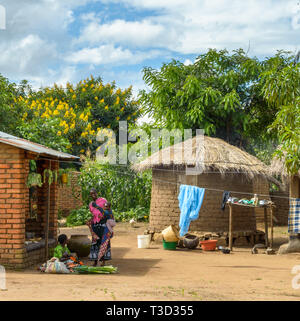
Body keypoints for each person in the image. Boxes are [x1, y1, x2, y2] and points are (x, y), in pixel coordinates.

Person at [87, 188, 113, 267]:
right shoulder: (91, 204)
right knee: (95, 242)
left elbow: (108, 210)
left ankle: (103, 261)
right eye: (91, 194)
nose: (93, 195)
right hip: (95, 225)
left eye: (94, 193)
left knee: (104, 242)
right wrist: (90, 220)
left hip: (103, 224)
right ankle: (95, 261)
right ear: (90, 195)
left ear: (97, 193)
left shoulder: (103, 200)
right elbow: (94, 215)